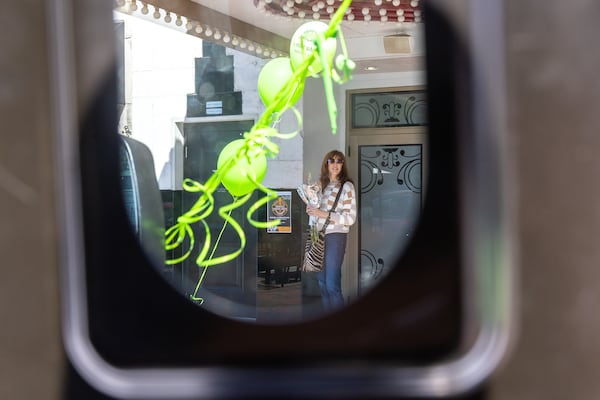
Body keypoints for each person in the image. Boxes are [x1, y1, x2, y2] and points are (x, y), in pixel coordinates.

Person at [306, 150, 357, 311]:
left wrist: (323, 214)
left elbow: (350, 218)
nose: (335, 164)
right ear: (326, 164)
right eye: (331, 160)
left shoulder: (347, 186)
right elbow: (314, 212)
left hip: (336, 236)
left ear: (343, 164)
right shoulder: (320, 185)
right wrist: (311, 212)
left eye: (339, 161)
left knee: (332, 284)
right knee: (321, 283)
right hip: (318, 236)